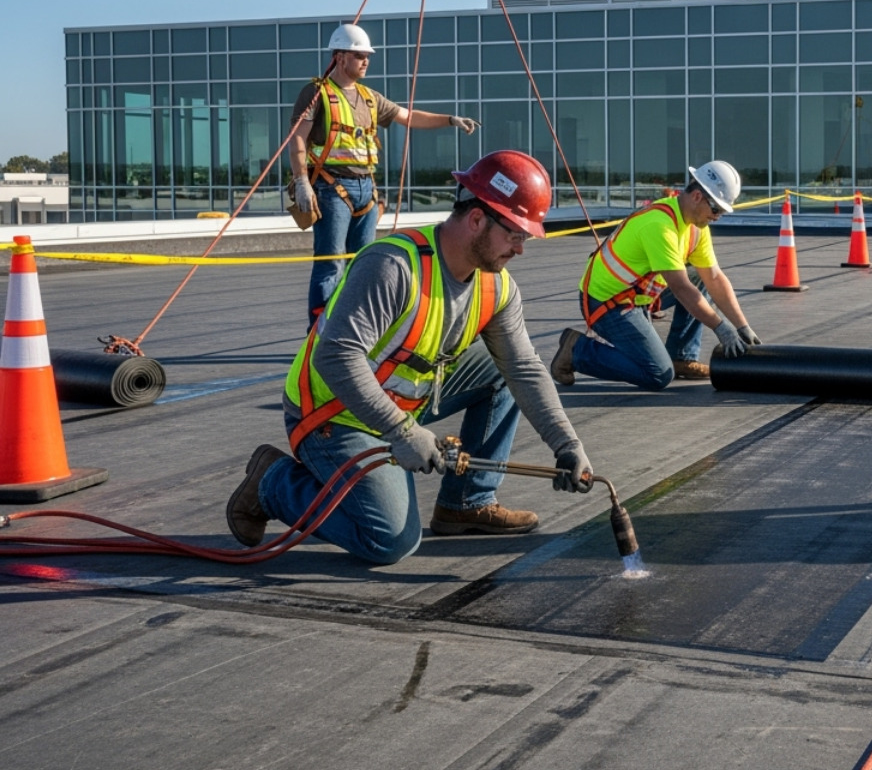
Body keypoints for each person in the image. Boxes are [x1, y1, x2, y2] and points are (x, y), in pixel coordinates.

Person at [225, 151, 595, 564]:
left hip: (398, 405)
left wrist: (568, 444)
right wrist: (403, 433)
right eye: (515, 235)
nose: (520, 249)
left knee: (501, 371)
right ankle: (272, 484)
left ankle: (466, 502)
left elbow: (524, 370)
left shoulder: (496, 287)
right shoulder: (393, 266)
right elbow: (336, 356)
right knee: (389, 541)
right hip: (332, 413)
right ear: (477, 220)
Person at [288, 23, 480, 326]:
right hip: (330, 188)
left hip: (365, 189)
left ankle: (353, 329)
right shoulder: (317, 93)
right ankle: (318, 337)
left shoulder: (369, 97)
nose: (366, 61)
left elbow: (408, 116)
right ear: (339, 57)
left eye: (367, 56)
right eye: (359, 55)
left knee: (363, 264)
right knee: (330, 264)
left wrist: (449, 120)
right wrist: (301, 181)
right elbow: (298, 137)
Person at [549, 160, 761, 390]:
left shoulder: (695, 228)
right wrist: (720, 327)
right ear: (698, 196)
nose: (717, 216)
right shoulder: (660, 226)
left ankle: (681, 356)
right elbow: (680, 287)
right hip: (608, 303)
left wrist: (741, 326)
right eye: (716, 209)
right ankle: (577, 351)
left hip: (637, 294)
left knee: (699, 278)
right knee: (658, 373)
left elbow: (714, 278)